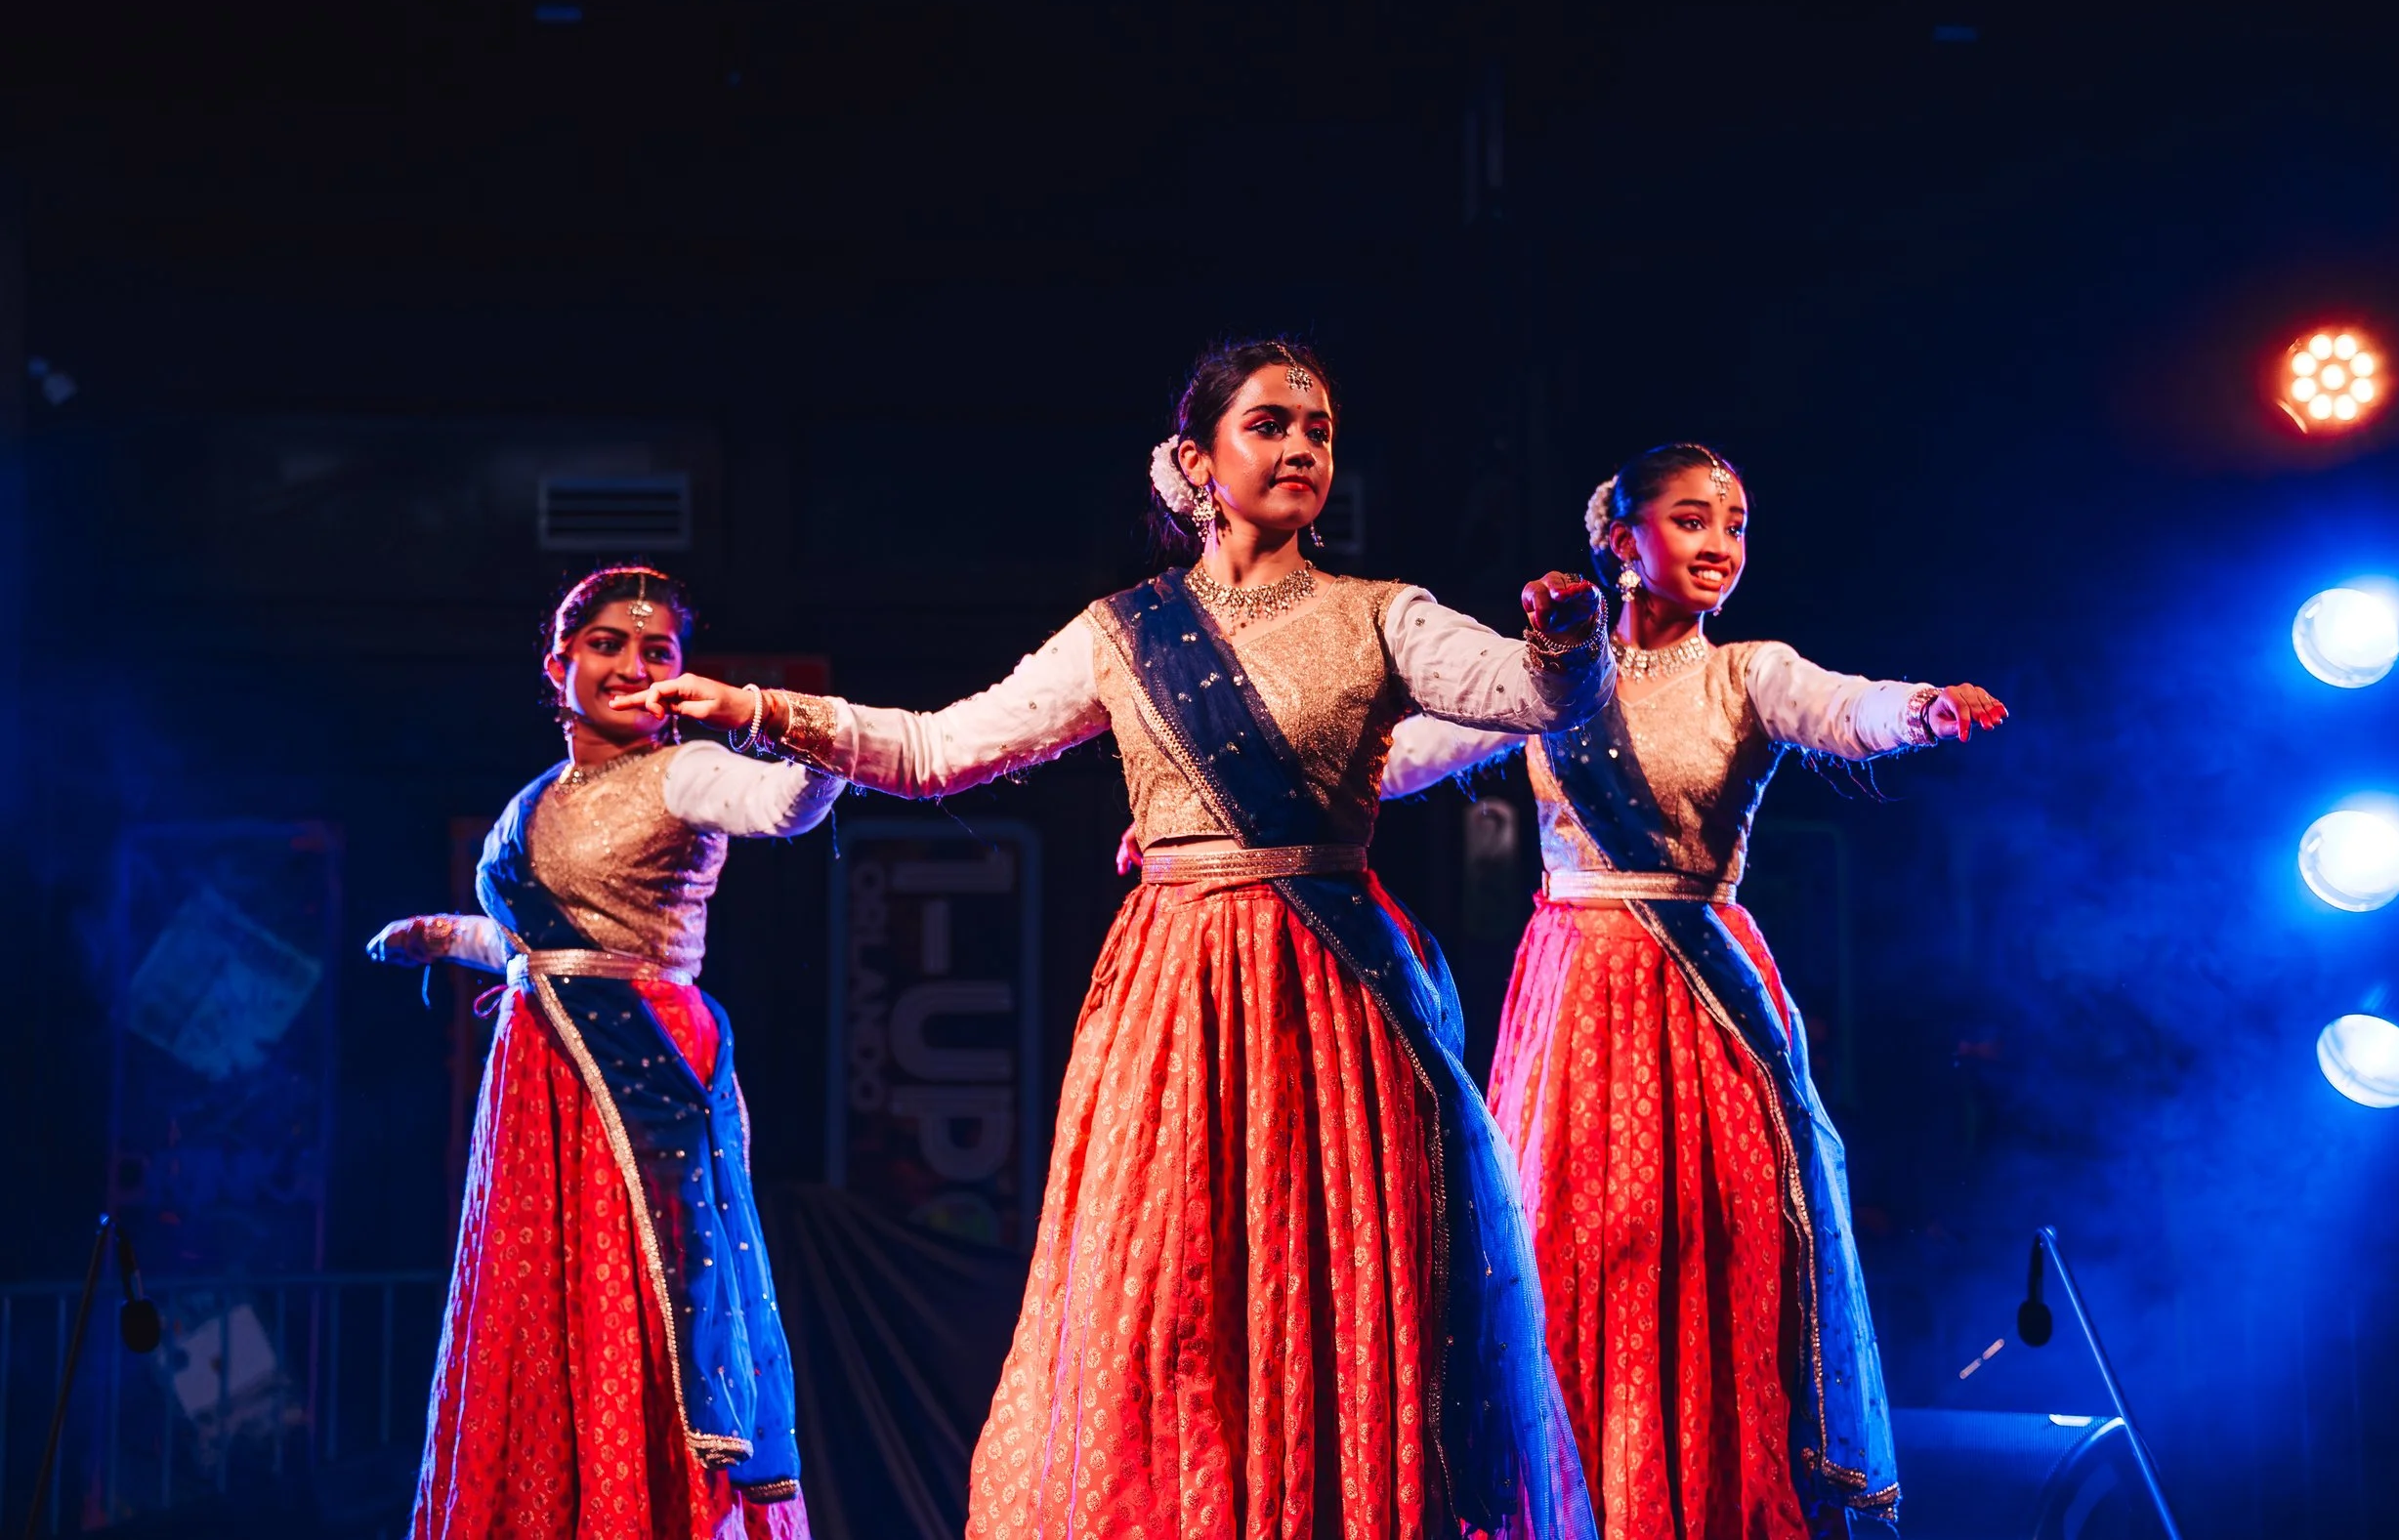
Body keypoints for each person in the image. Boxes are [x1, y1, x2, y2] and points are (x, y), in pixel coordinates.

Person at [616, 338, 1608, 1540]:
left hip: (1338, 1010)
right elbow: (938, 751)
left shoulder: (1379, 615)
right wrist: (765, 710)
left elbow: (1536, 697)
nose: (1302, 447)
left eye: (1321, 429)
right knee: (1166, 1308)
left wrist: (1565, 641)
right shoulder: (1122, 635)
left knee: (1345, 1298)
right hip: (1175, 1002)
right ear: (1196, 459)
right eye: (1270, 423)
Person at [1377, 444, 2006, 1539]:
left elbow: (1840, 705)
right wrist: (1217, 816)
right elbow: (1392, 759)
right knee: (1573, 1247)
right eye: (1689, 519)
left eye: (1736, 522)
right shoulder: (1549, 672)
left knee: (1706, 1252)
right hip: (1572, 989)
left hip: (1703, 999)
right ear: (1620, 540)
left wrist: (1920, 708)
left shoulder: (1747, 670)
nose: (1720, 543)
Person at [367, 565, 842, 1540]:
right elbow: (541, 949)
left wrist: (781, 716)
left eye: (657, 650)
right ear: (560, 663)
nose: (632, 665)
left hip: (643, 1074)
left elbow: (792, 804)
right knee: (542, 1312)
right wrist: (447, 936)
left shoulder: (687, 770)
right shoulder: (532, 800)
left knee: (648, 1297)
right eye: (607, 645)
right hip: (539, 1075)